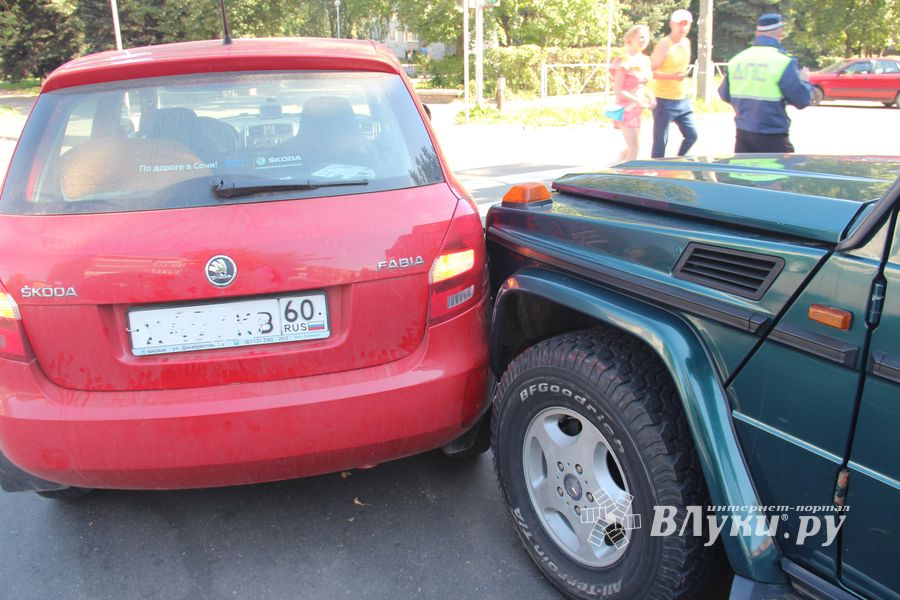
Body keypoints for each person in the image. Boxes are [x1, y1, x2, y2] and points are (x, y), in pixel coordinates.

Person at [718, 14, 813, 153]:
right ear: (780, 32)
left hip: (743, 137)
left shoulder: (737, 60)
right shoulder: (783, 61)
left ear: (757, 33)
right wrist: (805, 81)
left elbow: (725, 95)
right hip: (773, 138)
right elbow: (802, 100)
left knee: (744, 173)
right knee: (777, 174)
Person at [650, 9, 698, 158]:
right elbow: (651, 71)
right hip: (663, 100)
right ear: (672, 24)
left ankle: (678, 161)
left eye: (686, 24)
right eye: (679, 24)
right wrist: (672, 76)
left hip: (682, 100)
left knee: (692, 135)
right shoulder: (664, 44)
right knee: (660, 143)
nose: (683, 27)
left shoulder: (687, 43)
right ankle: (656, 174)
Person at [611, 25, 655, 162]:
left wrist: (650, 97)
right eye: (641, 37)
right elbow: (618, 89)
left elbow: (642, 84)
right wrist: (636, 100)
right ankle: (629, 178)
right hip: (624, 108)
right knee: (635, 147)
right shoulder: (624, 60)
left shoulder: (645, 60)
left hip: (637, 109)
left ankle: (613, 167)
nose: (644, 40)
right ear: (630, 38)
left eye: (646, 37)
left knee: (632, 148)